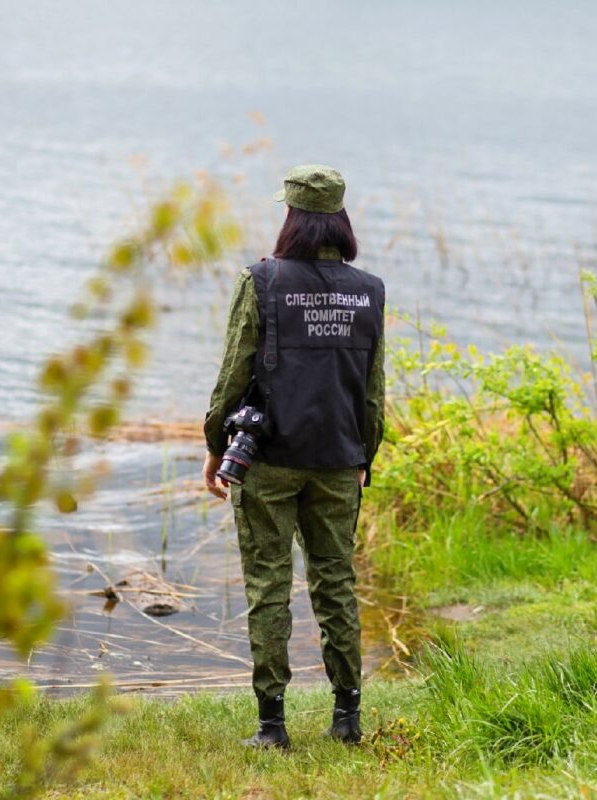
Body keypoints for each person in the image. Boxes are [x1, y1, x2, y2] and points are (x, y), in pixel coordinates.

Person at [202, 164, 385, 750]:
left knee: (268, 585)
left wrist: (215, 446)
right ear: (341, 218)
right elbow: (373, 391)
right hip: (339, 459)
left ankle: (272, 727)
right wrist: (366, 458)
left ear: (290, 216)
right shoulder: (370, 290)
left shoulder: (261, 280)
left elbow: (233, 373)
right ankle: (347, 718)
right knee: (336, 582)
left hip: (270, 459)